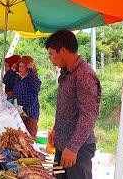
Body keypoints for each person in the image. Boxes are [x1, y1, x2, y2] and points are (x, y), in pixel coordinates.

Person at [45, 30, 101, 179]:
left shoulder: (84, 74)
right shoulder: (66, 73)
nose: (51, 59)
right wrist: (56, 129)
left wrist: (73, 147)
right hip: (61, 145)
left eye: (51, 54)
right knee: (56, 176)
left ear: (62, 51)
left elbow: (88, 115)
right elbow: (65, 108)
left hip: (77, 149)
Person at [3, 55, 41, 136]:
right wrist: (12, 70)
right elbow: (6, 81)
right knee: (19, 137)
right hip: (20, 113)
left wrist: (30, 71)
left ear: (28, 68)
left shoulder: (33, 79)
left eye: (23, 67)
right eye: (19, 66)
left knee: (30, 138)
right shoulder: (18, 78)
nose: (20, 69)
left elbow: (36, 87)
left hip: (31, 113)